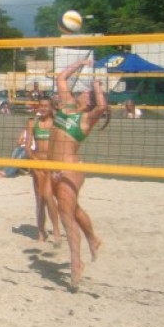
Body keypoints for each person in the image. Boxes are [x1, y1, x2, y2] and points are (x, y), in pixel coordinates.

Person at [49, 58, 107, 290]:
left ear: (89, 101)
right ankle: (93, 239)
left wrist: (97, 87)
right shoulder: (68, 106)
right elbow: (61, 78)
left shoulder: (86, 119)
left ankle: (76, 263)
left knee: (66, 216)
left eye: (86, 93)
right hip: (54, 168)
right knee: (73, 209)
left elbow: (102, 108)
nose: (82, 92)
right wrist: (80, 62)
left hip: (69, 169)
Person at [26, 97, 60, 244]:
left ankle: (56, 230)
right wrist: (34, 162)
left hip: (52, 165)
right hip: (38, 164)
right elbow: (27, 147)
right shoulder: (33, 123)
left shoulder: (56, 124)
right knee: (39, 200)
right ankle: (41, 232)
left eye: (46, 106)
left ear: (51, 107)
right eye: (41, 105)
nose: (43, 108)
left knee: (49, 197)